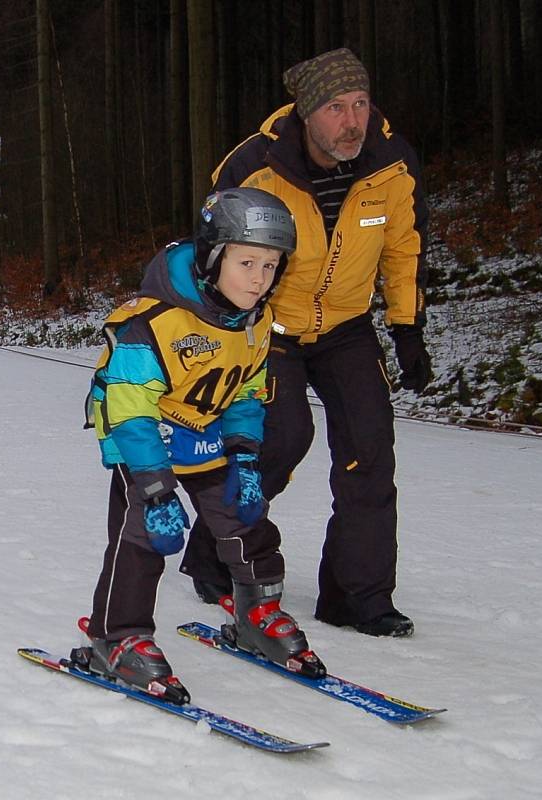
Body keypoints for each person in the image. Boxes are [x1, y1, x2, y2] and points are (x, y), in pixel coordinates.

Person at [179, 48, 432, 638]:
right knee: (279, 438)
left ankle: (357, 596)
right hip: (270, 328)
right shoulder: (254, 166)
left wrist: (407, 327)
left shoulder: (393, 164)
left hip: (345, 327)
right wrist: (216, 330)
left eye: (362, 104)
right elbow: (214, 255)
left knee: (369, 451)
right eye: (337, 107)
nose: (353, 121)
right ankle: (215, 550)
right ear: (306, 112)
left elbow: (404, 248)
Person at [84, 187, 326, 703]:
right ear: (214, 257)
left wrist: (244, 455)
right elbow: (129, 409)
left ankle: (255, 613)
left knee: (247, 524)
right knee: (143, 540)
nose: (259, 279)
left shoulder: (255, 320)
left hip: (207, 436)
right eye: (246, 263)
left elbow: (245, 392)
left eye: (270, 265)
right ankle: (116, 635)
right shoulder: (150, 324)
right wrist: (153, 487)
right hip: (146, 441)